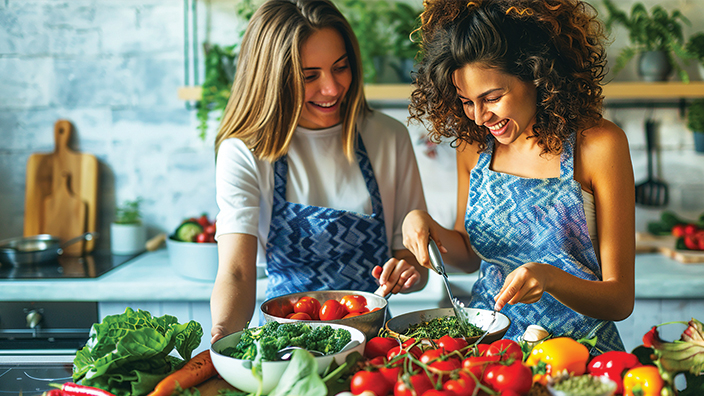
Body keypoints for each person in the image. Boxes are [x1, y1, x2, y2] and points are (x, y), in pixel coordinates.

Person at [402, 0, 635, 353]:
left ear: (537, 73)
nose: (479, 117)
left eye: (492, 97)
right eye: (467, 101)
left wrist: (550, 278)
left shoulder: (598, 146)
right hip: (491, 352)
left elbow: (619, 300)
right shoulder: (475, 147)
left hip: (579, 355)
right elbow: (468, 256)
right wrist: (425, 225)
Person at [210, 0, 428, 343]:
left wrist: (409, 270)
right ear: (272, 79)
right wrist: (223, 336)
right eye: (309, 76)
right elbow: (237, 272)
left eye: (341, 67)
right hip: (286, 348)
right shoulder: (244, 151)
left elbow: (412, 258)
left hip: (374, 347)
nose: (332, 88)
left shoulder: (388, 137)